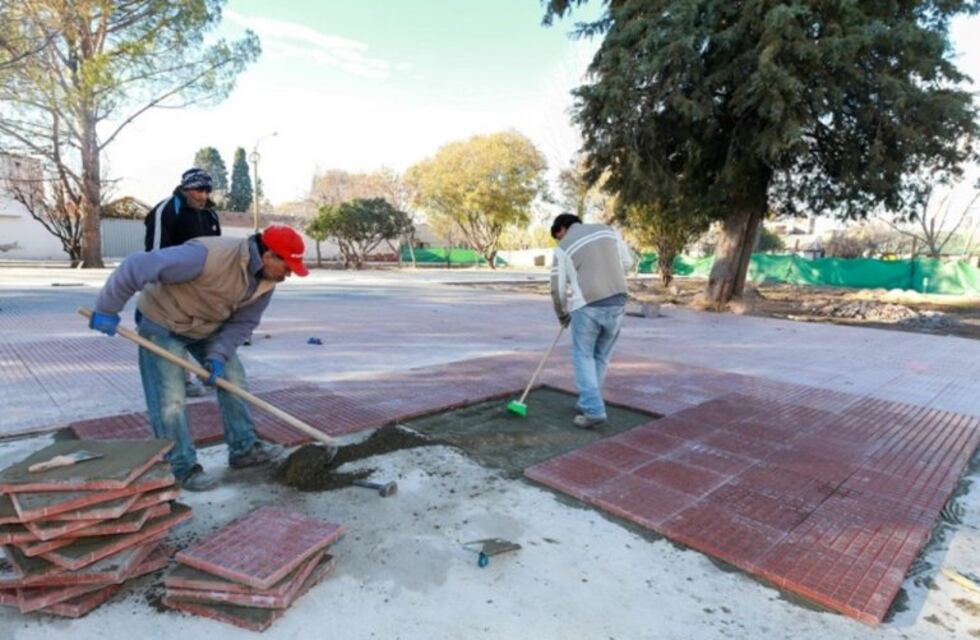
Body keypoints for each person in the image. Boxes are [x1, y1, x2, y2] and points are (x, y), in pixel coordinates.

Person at [88, 225, 310, 491]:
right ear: (269, 256)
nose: (289, 274)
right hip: (164, 322)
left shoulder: (267, 281)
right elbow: (136, 266)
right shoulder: (205, 256)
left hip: (207, 328)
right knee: (170, 398)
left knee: (234, 379)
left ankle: (244, 449)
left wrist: (218, 354)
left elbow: (243, 323)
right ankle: (181, 467)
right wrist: (107, 309)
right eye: (287, 266)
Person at [549, 213, 634, 429]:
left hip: (587, 307)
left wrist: (562, 314)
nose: (558, 240)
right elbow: (627, 263)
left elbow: (557, 289)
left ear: (561, 229)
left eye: (557, 236)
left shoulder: (563, 247)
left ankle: (594, 410)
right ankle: (588, 401)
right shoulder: (608, 231)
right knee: (601, 357)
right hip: (618, 303)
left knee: (583, 356)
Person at [144, 167, 222, 398]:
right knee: (175, 333)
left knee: (208, 329)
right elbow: (155, 252)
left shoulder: (210, 215)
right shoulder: (167, 210)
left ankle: (211, 374)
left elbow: (216, 250)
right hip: (173, 285)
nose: (203, 196)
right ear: (187, 188)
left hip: (203, 285)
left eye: (207, 191)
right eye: (198, 190)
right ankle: (181, 381)